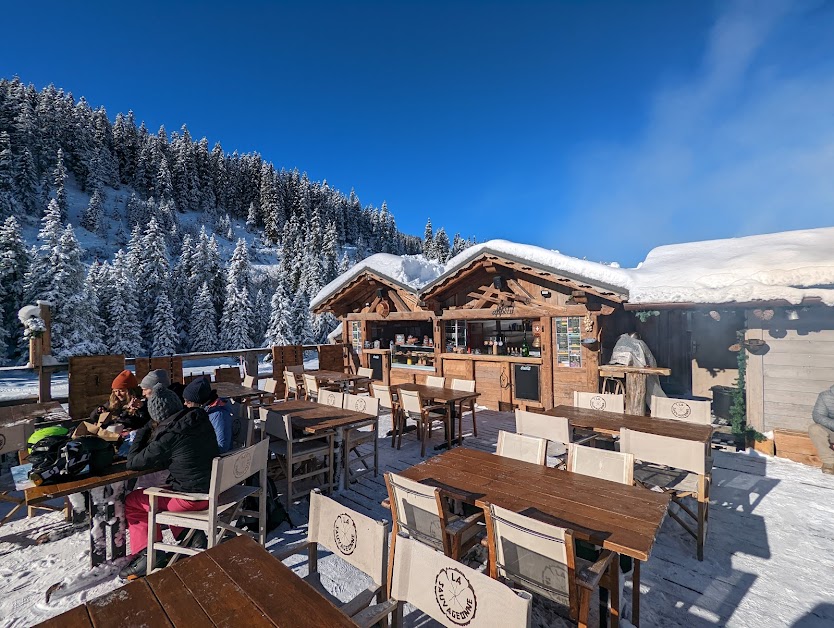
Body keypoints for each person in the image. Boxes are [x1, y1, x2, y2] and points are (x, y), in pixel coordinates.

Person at [119, 383, 219, 579]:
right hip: (215, 489)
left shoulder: (169, 436)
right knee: (168, 489)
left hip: (194, 498)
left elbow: (133, 462)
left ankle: (148, 553)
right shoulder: (199, 418)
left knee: (134, 501)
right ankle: (191, 538)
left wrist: (144, 428)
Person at [183, 377, 234, 453]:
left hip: (217, 459)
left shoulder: (218, 415)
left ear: (198, 402)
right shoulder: (202, 411)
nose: (185, 404)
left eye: (188, 401)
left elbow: (222, 446)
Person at [809, 384, 834, 475]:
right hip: (831, 432)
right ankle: (829, 462)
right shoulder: (825, 396)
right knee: (814, 429)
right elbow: (818, 416)